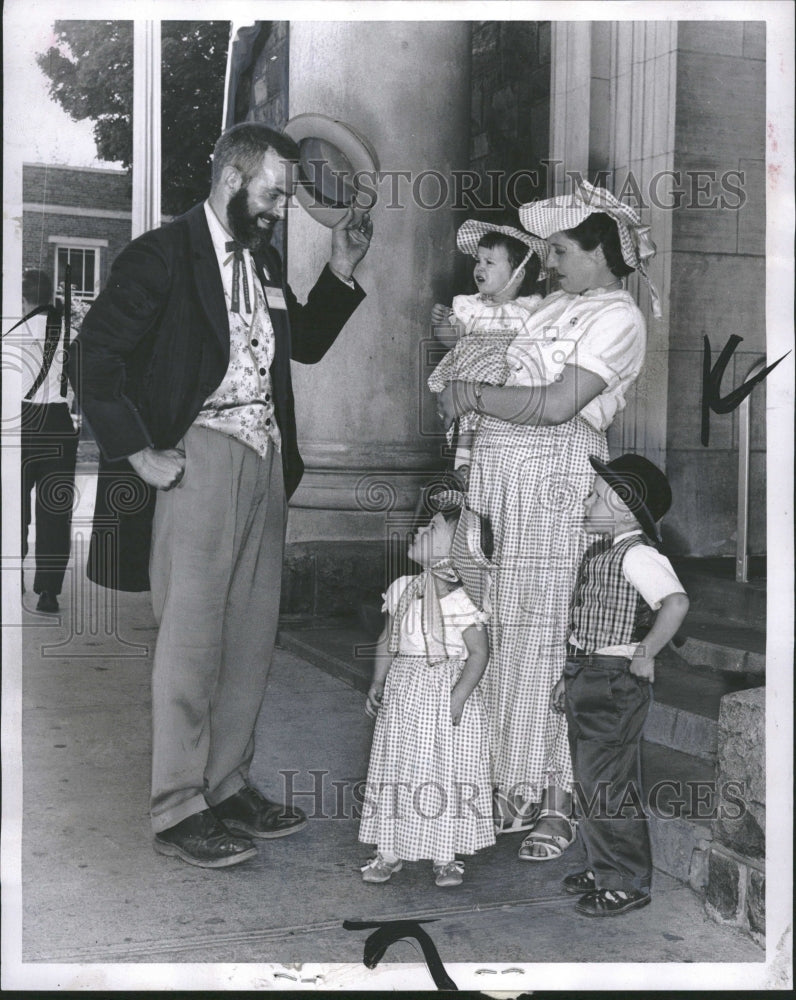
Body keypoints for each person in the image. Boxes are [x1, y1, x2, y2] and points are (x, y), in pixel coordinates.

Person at [68, 123, 372, 868]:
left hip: (266, 461)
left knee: (249, 635)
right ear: (232, 178)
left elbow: (297, 346)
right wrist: (136, 449)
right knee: (191, 641)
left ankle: (228, 784)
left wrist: (340, 270)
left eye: (285, 199)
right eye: (271, 195)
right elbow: (93, 356)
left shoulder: (263, 260)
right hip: (197, 458)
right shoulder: (161, 256)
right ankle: (177, 808)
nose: (278, 212)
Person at [436, 179, 659, 858]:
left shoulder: (620, 317)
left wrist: (470, 389)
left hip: (557, 477)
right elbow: (488, 358)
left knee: (551, 632)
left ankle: (558, 805)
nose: (550, 261)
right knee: (501, 628)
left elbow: (558, 403)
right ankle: (511, 787)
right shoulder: (552, 306)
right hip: (501, 474)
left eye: (561, 249)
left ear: (598, 251)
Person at [551, 453, 689, 916]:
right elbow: (585, 625)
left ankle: (626, 882)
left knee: (608, 784)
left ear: (624, 506)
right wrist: (565, 679)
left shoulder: (639, 555)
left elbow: (675, 603)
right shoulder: (602, 552)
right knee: (591, 781)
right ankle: (604, 864)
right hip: (587, 675)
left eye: (594, 495)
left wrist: (646, 652)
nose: (586, 502)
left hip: (613, 681)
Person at [359, 492, 495, 888]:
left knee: (445, 771)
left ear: (457, 549)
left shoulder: (460, 599)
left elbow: (478, 653)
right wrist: (378, 680)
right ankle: (389, 849)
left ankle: (445, 854)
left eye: (433, 527)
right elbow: (388, 639)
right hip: (405, 691)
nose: (420, 528)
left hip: (445, 692)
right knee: (398, 766)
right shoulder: (403, 586)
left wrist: (458, 697)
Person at [427, 221, 548, 479]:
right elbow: (452, 339)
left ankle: (487, 470)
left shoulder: (531, 309)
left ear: (519, 273)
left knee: (495, 424)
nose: (479, 268)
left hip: (507, 379)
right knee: (468, 423)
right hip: (471, 374)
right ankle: (463, 470)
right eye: (478, 261)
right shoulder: (472, 306)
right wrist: (440, 325)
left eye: (490, 262)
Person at [18, 269, 80, 614]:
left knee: (13, 507)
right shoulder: (70, 331)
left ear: (25, 299)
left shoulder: (10, 330)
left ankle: (13, 578)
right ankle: (48, 592)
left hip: (19, 421)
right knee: (54, 510)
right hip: (57, 423)